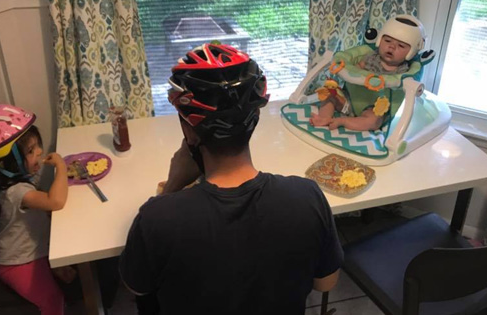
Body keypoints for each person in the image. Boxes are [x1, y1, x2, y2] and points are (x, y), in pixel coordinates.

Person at [119, 44, 344, 315]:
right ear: (256, 116)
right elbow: (325, 282)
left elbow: (137, 287)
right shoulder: (307, 196)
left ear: (189, 131)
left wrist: (172, 187)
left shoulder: (157, 218)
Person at [0, 105, 71, 314]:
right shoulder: (16, 193)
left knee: (65, 274)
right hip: (18, 263)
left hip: (33, 249)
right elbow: (55, 202)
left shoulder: (21, 182)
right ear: (9, 164)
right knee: (53, 300)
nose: (39, 151)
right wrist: (62, 167)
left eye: (37, 145)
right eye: (31, 151)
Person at [310, 14, 427, 131]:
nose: (391, 47)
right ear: (380, 40)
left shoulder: (403, 71)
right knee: (331, 95)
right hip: (350, 98)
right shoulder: (371, 57)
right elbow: (356, 67)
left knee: (373, 121)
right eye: (387, 40)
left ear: (411, 52)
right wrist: (354, 70)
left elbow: (409, 83)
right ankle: (324, 117)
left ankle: (343, 121)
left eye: (400, 46)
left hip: (375, 107)